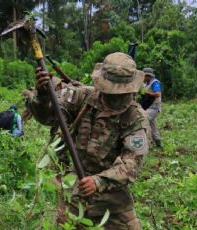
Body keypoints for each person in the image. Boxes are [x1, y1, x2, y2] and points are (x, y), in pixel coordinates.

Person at [27, 52, 150, 229]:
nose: (114, 97)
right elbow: (48, 118)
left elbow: (131, 165)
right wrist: (43, 95)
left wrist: (98, 181)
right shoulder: (84, 97)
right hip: (76, 191)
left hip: (112, 199)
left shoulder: (135, 118)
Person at [141, 67, 162, 149]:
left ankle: (146, 143)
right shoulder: (146, 83)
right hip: (148, 107)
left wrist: (147, 92)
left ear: (148, 76)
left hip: (154, 107)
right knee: (153, 125)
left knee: (142, 120)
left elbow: (157, 94)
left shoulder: (155, 83)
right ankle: (158, 144)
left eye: (144, 76)